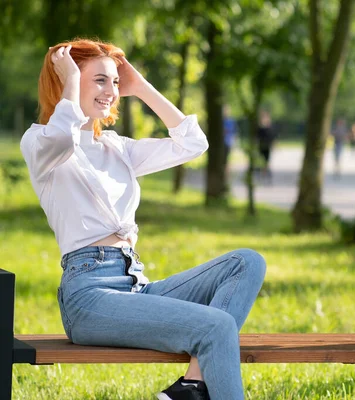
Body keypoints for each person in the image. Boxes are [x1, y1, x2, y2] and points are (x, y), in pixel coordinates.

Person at [20, 39, 266, 400]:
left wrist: (141, 87)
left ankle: (192, 385)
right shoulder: (39, 142)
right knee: (216, 326)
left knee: (246, 263)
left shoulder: (117, 148)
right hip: (89, 297)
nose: (111, 91)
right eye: (100, 80)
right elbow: (61, 138)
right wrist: (70, 78)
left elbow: (193, 144)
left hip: (136, 285)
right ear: (65, 80)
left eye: (115, 82)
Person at [257, 110, 276, 184]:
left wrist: (274, 144)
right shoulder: (260, 128)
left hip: (267, 146)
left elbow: (272, 137)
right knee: (262, 161)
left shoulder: (270, 128)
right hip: (261, 146)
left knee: (266, 161)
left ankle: (265, 174)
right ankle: (263, 174)